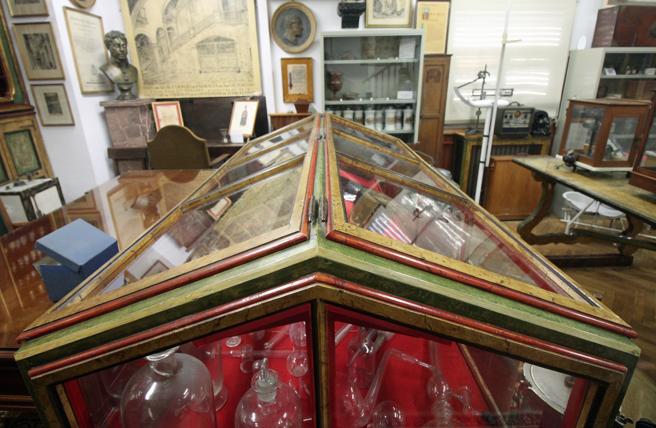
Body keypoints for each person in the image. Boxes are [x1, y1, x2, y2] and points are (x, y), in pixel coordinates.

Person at [100, 31, 138, 100]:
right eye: (117, 46)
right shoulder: (106, 69)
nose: (122, 49)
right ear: (109, 48)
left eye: (124, 46)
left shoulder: (134, 70)